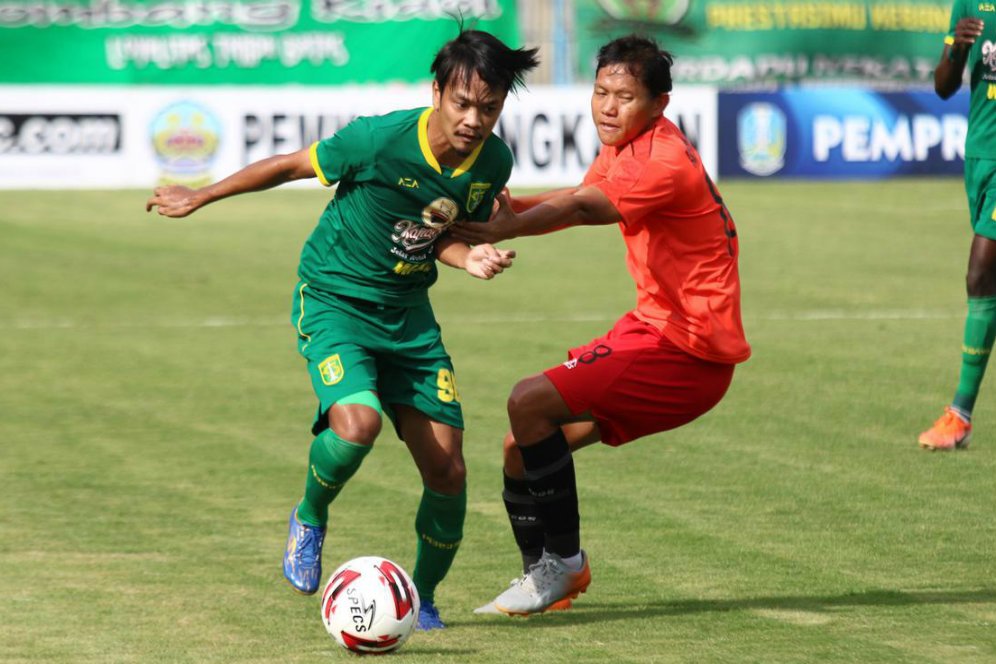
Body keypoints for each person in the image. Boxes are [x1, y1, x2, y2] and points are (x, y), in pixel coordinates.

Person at [146, 29, 539, 629]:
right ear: (437, 91)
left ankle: (424, 600)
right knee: (357, 426)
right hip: (335, 301)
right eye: (462, 103)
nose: (474, 119)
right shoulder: (379, 139)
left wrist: (475, 257)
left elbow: (446, 235)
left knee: (449, 471)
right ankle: (309, 516)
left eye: (489, 107)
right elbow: (288, 165)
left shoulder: (493, 162)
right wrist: (199, 196)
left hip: (408, 319)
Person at [451, 34, 750, 616]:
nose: (608, 108)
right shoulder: (627, 146)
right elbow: (578, 195)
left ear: (659, 104)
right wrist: (505, 213)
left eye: (626, 96)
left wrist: (502, 229)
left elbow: (588, 209)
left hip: (689, 353)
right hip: (653, 329)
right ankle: (548, 580)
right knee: (521, 446)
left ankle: (564, 566)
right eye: (601, 92)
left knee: (527, 402)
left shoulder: (662, 159)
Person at [919, 6, 996, 451]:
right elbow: (944, 86)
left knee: (981, 274)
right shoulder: (969, 2)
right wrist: (956, 45)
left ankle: (959, 415)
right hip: (980, 157)